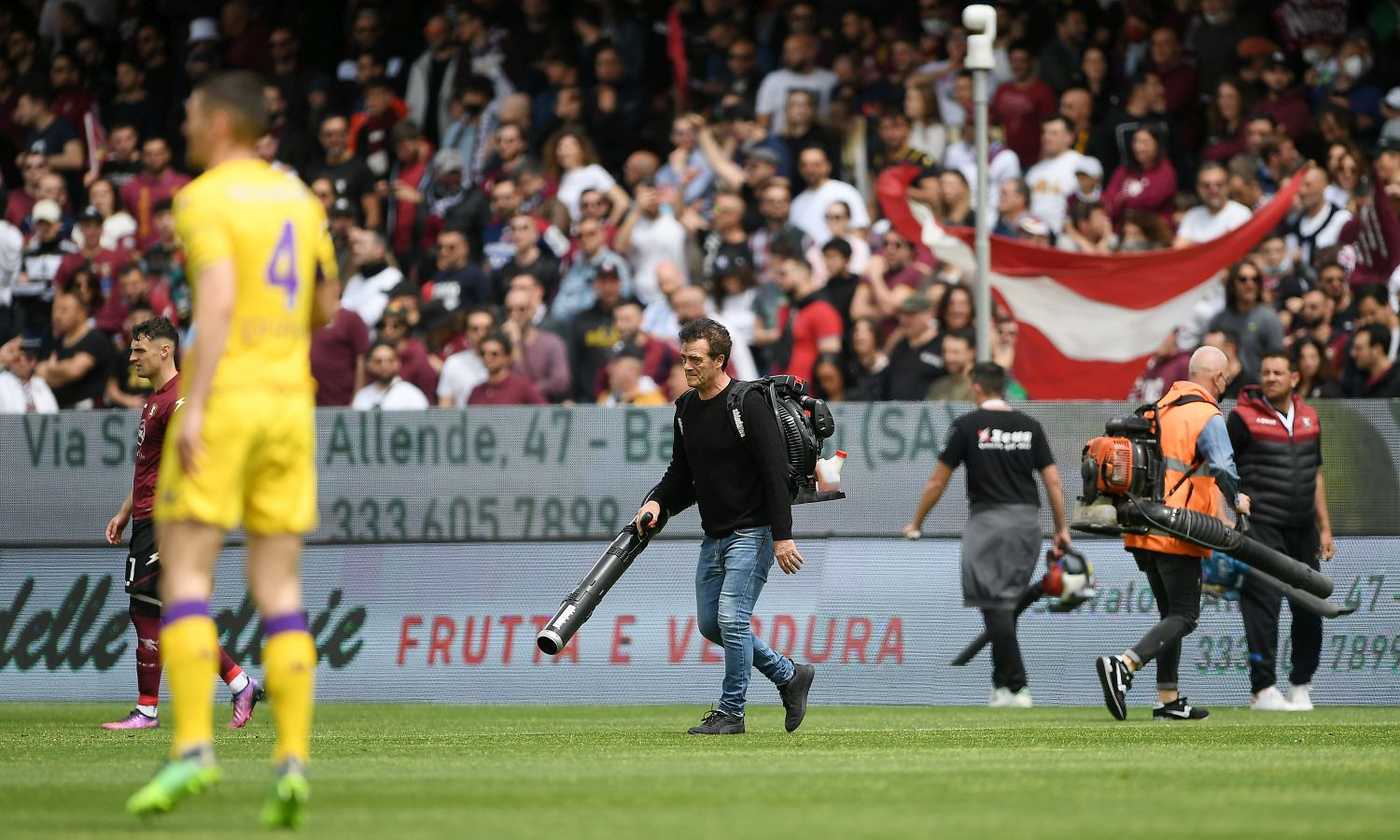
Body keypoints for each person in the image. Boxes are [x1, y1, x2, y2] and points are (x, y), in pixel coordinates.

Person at [125, 72, 340, 827]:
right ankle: (291, 761)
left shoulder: (203, 198)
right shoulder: (301, 198)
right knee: (280, 585)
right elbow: (324, 304)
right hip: (290, 405)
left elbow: (213, 302)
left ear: (219, 123)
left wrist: (199, 400)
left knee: (184, 576)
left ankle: (192, 750)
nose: (183, 122)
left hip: (227, 402)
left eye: (188, 112)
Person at [635, 318, 815, 735]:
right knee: (712, 625)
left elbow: (774, 474)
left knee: (732, 620)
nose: (687, 366)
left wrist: (783, 536)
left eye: (696, 359)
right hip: (713, 534)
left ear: (720, 360)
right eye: (683, 359)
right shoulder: (685, 408)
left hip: (753, 532)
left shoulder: (746, 403)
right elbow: (681, 475)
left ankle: (731, 712)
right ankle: (789, 675)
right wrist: (657, 503)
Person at [101, 317, 263, 732]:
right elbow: (152, 466)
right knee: (162, 611)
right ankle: (238, 683)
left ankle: (150, 710)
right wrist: (126, 510)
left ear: (164, 350)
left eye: (139, 349)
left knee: (152, 608)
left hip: (167, 520)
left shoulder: (181, 401)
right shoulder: (155, 400)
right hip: (147, 515)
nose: (133, 357)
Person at [903, 362, 1071, 708]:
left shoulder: (967, 426)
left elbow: (938, 480)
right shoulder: (1029, 426)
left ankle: (1017, 686)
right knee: (1003, 603)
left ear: (976, 387)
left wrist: (917, 521)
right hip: (1028, 520)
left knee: (995, 603)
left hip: (989, 520)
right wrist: (1062, 529)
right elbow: (1052, 481)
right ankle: (1002, 685)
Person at [1096, 345, 1250, 723]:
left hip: (1142, 527)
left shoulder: (1160, 407)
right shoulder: (1207, 414)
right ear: (1217, 379)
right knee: (1184, 615)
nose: (1225, 385)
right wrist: (1239, 500)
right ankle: (1124, 665)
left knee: (1170, 614)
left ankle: (1168, 699)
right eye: (1225, 379)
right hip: (1179, 529)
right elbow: (1222, 467)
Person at [1227, 352, 1333, 713]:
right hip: (1262, 527)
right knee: (1262, 606)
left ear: (1294, 378)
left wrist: (1325, 527)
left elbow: (1316, 473)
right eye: (1265, 372)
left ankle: (1301, 685)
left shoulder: (1310, 417)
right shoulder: (1241, 417)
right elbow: (1221, 468)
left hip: (1303, 529)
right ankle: (1263, 690)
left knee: (1309, 606)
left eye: (1278, 372)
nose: (1270, 378)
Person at [37, 289, 114, 409]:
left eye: (64, 310)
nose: (57, 316)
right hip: (60, 411)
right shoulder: (54, 340)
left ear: (81, 312)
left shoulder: (95, 338)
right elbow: (39, 373)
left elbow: (75, 370)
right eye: (55, 310)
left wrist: (52, 368)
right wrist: (61, 370)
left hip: (92, 414)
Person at [467, 331, 546, 406]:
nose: (487, 358)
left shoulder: (522, 386)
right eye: (483, 353)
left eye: (494, 354)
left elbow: (546, 414)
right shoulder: (476, 391)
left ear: (507, 357)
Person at [353, 341, 430, 410]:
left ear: (398, 363)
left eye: (390, 360)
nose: (384, 365)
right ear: (369, 365)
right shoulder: (362, 395)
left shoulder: (412, 395)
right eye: (378, 361)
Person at [0, 334, 59, 412]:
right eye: (17, 358)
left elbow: (55, 416)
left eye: (30, 358)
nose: (23, 362)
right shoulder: (2, 382)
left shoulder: (40, 383)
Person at [1347, 323, 1400, 397]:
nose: (1353, 354)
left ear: (1377, 350)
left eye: (1359, 348)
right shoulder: (1358, 380)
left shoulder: (1396, 384)